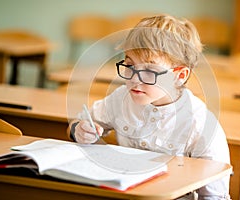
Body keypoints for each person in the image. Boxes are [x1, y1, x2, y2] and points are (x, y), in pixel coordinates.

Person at [67, 14, 230, 199]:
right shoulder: (121, 98)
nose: (135, 79)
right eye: (129, 65)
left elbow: (214, 195)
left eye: (149, 71)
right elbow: (77, 124)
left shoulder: (201, 124)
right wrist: (78, 130)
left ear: (180, 75)